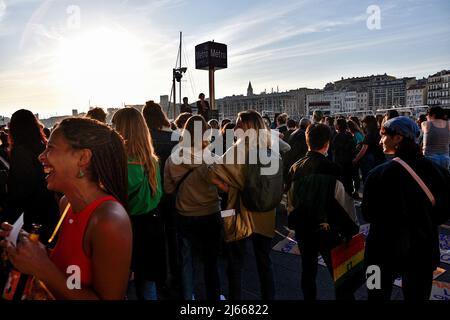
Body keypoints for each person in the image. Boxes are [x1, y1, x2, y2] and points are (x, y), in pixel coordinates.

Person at [1, 117, 132, 299]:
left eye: (51, 148)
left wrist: (41, 267)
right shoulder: (66, 203)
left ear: (83, 158)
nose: (41, 156)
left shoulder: (109, 220)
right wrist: (32, 248)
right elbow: (70, 269)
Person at [362, 116, 450, 300]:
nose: (380, 140)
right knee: (418, 296)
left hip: (380, 251)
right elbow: (443, 213)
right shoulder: (439, 172)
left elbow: (367, 214)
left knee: (374, 292)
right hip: (423, 250)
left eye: (384, 135)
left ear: (398, 138)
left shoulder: (377, 175)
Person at [209, 110, 277, 300]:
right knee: (265, 261)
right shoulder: (270, 145)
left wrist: (230, 187)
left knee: (235, 263)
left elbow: (213, 173)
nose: (235, 126)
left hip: (239, 211)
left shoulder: (238, 148)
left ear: (247, 126)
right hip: (265, 211)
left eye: (238, 123)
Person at [287, 123, 359, 300]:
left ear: (307, 141)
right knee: (339, 274)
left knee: (308, 271)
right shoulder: (332, 168)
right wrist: (352, 228)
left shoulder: (296, 167)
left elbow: (291, 201)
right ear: (327, 143)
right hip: (329, 229)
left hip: (304, 228)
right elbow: (344, 202)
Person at [165, 115, 222, 301]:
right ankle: (214, 296)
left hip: (184, 214)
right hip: (210, 213)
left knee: (186, 259)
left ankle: (188, 296)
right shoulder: (213, 159)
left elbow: (168, 189)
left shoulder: (173, 159)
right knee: (211, 260)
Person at [112, 107, 164, 300]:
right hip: (152, 226)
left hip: (126, 228)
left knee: (119, 287)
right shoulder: (152, 160)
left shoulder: (120, 164)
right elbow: (158, 195)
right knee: (148, 285)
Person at [1, 109, 59, 242]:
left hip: (29, 212)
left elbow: (20, 188)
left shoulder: (20, 151)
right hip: (48, 204)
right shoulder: (43, 145)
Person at [142, 100, 180, 294]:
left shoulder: (143, 140)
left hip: (152, 193)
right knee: (174, 236)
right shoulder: (175, 137)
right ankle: (177, 275)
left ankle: (159, 278)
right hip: (172, 192)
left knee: (156, 238)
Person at [352, 115, 385, 183]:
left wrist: (356, 159)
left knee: (368, 179)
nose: (363, 125)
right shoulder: (379, 131)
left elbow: (364, 149)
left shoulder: (369, 134)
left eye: (364, 123)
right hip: (379, 158)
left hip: (369, 160)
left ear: (367, 124)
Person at [331, 118, 356, 194]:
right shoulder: (349, 135)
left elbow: (334, 148)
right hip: (349, 161)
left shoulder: (336, 136)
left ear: (338, 126)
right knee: (348, 180)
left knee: (341, 182)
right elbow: (353, 148)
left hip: (339, 162)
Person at [283, 117, 310, 185]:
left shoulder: (294, 133)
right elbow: (301, 152)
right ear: (307, 126)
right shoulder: (303, 135)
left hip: (290, 165)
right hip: (296, 167)